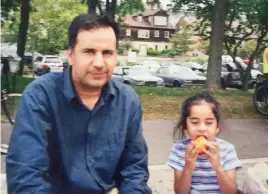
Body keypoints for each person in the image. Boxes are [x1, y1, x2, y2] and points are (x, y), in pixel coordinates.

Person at [6, 14, 152, 194]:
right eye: (89, 51)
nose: (99, 63)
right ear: (71, 56)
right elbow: (25, 175)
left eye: (107, 53)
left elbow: (135, 170)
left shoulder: (128, 100)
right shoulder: (40, 96)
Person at [168, 92, 242, 194]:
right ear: (186, 127)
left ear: (217, 127)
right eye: (194, 122)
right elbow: (180, 192)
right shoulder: (179, 150)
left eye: (209, 123)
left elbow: (231, 192)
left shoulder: (227, 149)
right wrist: (188, 167)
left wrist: (218, 167)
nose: (202, 128)